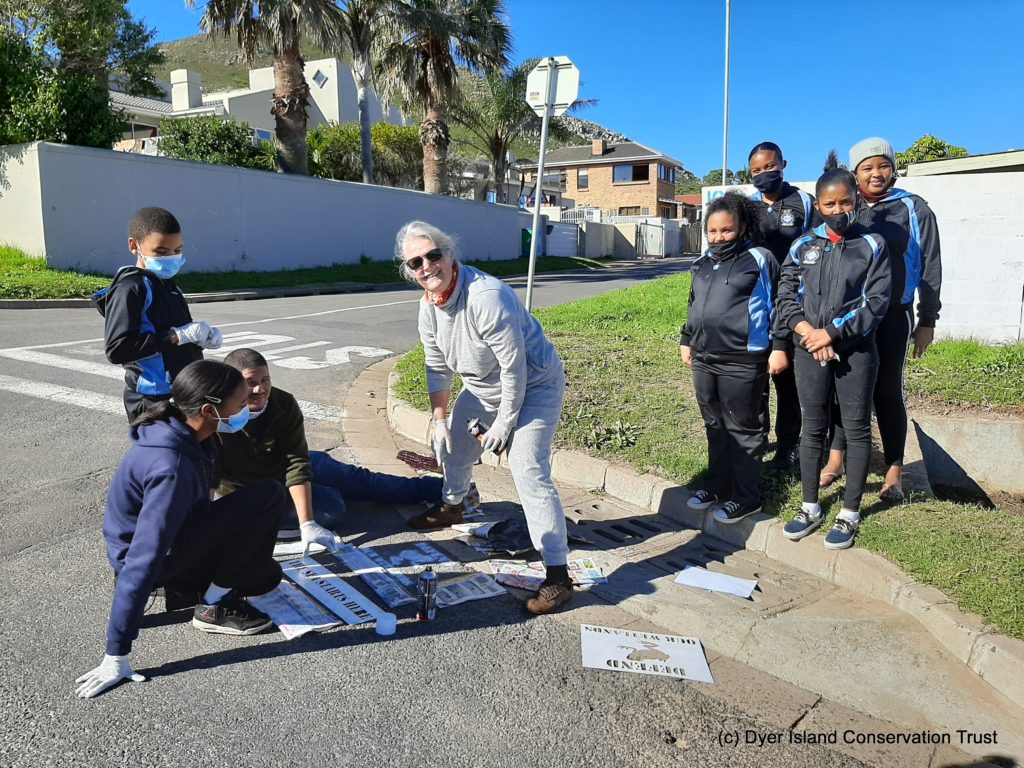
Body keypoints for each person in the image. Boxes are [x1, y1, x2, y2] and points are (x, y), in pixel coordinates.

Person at [75, 360, 286, 699]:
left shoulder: (186, 428)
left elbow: (210, 488)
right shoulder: (170, 469)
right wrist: (116, 655)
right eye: (239, 404)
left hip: (176, 536)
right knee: (261, 562)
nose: (245, 409)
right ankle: (211, 604)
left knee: (265, 574)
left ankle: (191, 587)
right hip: (152, 558)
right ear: (208, 409)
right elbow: (143, 558)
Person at [396, 220, 573, 614]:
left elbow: (515, 368)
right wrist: (439, 419)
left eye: (433, 255)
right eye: (415, 262)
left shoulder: (485, 297)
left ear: (450, 253)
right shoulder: (429, 307)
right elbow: (436, 366)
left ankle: (559, 575)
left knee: (527, 467)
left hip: (535, 385)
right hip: (481, 387)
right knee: (455, 447)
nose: (427, 266)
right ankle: (454, 505)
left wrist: (506, 424)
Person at [217, 348, 446, 552]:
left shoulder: (283, 402)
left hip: (290, 468)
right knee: (334, 508)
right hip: (257, 489)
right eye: (250, 382)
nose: (260, 389)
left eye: (265, 380)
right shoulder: (219, 413)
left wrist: (307, 522)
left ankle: (445, 489)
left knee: (359, 479)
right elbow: (207, 470)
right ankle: (277, 519)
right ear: (233, 385)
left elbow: (295, 460)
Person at [775, 155, 892, 550]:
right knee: (813, 426)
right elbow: (786, 295)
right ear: (819, 206)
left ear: (856, 200)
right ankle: (810, 506)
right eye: (830, 205)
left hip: (856, 351)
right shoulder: (803, 245)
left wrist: (833, 334)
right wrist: (808, 332)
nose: (838, 211)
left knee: (856, 429)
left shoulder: (873, 244)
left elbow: (876, 302)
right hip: (809, 347)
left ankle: (849, 513)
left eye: (845, 203)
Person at [818, 138, 943, 502]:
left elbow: (930, 267)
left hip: (892, 315)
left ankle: (893, 472)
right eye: (867, 167)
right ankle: (837, 458)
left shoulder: (912, 208)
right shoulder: (846, 207)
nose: (876, 173)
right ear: (855, 173)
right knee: (844, 390)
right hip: (849, 318)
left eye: (882, 165)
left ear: (893, 168)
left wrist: (927, 319)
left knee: (887, 391)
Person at [680, 192, 787, 524]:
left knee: (743, 427)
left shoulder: (759, 259)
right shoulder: (701, 264)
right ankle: (717, 486)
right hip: (704, 357)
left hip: (743, 358)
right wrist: (687, 339)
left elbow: (780, 305)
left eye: (726, 230)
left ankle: (746, 496)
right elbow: (694, 303)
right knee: (714, 424)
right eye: (712, 231)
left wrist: (780, 346)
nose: (718, 237)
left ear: (741, 228)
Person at [95, 207, 224, 423]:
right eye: (161, 252)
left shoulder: (169, 286)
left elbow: (178, 338)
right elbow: (117, 349)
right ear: (134, 246)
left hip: (184, 390)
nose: (171, 258)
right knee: (165, 455)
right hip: (154, 400)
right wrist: (176, 336)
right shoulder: (131, 287)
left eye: (178, 250)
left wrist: (201, 340)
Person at [747, 141, 816, 471]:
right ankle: (756, 442)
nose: (763, 174)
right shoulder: (747, 207)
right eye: (756, 170)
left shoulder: (803, 201)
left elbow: (819, 247)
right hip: (756, 304)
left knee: (787, 378)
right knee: (756, 374)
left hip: (793, 303)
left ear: (783, 164)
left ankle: (789, 445)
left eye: (769, 167)